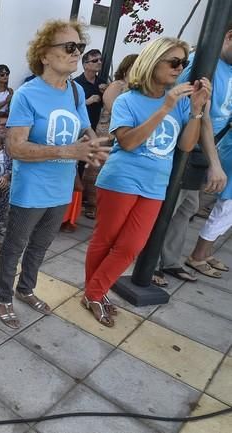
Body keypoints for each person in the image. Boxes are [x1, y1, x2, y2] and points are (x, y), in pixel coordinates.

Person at [85, 37, 209, 326]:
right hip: (121, 180)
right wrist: (164, 108)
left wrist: (196, 111)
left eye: (184, 63)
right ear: (153, 61)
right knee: (105, 241)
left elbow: (186, 146)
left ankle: (93, 292)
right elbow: (127, 143)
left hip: (155, 185)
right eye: (174, 62)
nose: (180, 68)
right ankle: (96, 294)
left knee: (131, 246)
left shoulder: (180, 102)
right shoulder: (128, 99)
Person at [0, 20, 110, 330]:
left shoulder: (74, 91)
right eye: (69, 47)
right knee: (14, 246)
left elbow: (85, 127)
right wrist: (67, 152)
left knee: (41, 246)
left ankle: (26, 288)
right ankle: (4, 296)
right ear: (45, 54)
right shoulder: (28, 94)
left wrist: (93, 144)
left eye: (79, 48)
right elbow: (16, 147)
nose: (76, 53)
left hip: (60, 189)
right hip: (31, 189)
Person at [181, 27, 232, 280]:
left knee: (187, 207)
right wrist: (215, 161)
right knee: (176, 207)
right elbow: (202, 114)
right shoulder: (204, 62)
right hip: (189, 145)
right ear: (230, 36)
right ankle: (155, 261)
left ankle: (169, 259)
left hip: (210, 147)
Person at [83, 54, 138, 220]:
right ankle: (91, 204)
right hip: (106, 131)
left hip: (124, 133)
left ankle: (103, 204)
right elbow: (111, 104)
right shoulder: (117, 85)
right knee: (96, 167)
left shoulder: (137, 88)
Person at [74, 49, 108, 131]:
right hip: (80, 127)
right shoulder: (76, 83)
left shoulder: (102, 83)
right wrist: (87, 101)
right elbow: (69, 106)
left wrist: (107, 94)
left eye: (101, 60)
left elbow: (107, 107)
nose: (99, 62)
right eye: (95, 60)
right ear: (85, 65)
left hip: (97, 128)